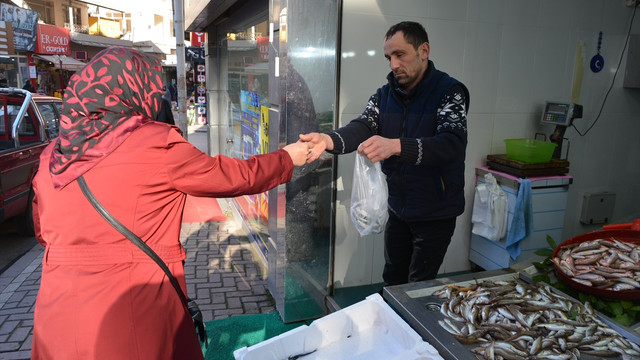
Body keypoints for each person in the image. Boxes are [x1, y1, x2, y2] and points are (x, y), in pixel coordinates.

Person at [30, 47, 311, 360]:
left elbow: (43, 233)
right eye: (150, 86)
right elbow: (232, 177)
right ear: (132, 89)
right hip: (130, 305)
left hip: (58, 309)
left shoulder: (50, 156)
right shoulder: (155, 143)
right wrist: (287, 158)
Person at [301, 21, 470, 286]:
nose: (393, 64)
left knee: (418, 284)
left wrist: (396, 146)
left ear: (423, 50)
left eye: (400, 54)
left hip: (435, 212)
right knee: (392, 277)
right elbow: (363, 126)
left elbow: (451, 144)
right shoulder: (384, 95)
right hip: (399, 207)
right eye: (388, 57)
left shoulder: (449, 92)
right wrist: (328, 139)